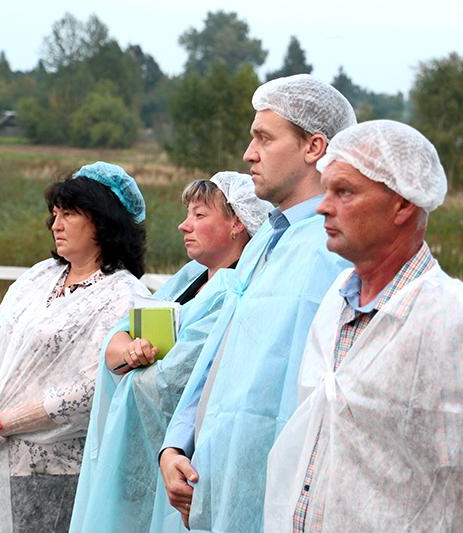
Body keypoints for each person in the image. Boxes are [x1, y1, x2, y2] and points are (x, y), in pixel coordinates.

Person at [264, 120, 463, 532]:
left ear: (402, 205)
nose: (322, 207)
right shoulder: (338, 298)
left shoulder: (447, 316)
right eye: (327, 189)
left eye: (344, 192)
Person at [157, 74, 357, 532]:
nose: (249, 153)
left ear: (314, 147)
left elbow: (312, 405)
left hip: (268, 498)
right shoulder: (266, 238)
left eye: (264, 138)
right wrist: (176, 443)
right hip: (211, 477)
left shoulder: (331, 254)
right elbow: (217, 350)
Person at [0, 162, 149, 533]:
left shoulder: (124, 295)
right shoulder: (39, 276)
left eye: (69, 214)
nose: (56, 224)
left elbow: (94, 386)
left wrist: (8, 421)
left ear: (103, 221)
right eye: (55, 214)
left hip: (53, 471)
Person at [69, 172, 272, 532]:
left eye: (199, 215)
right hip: (143, 454)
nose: (184, 225)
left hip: (185, 460)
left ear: (237, 223)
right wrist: (130, 352)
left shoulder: (236, 290)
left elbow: (172, 381)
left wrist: (134, 362)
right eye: (187, 214)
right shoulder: (191, 276)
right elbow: (117, 340)